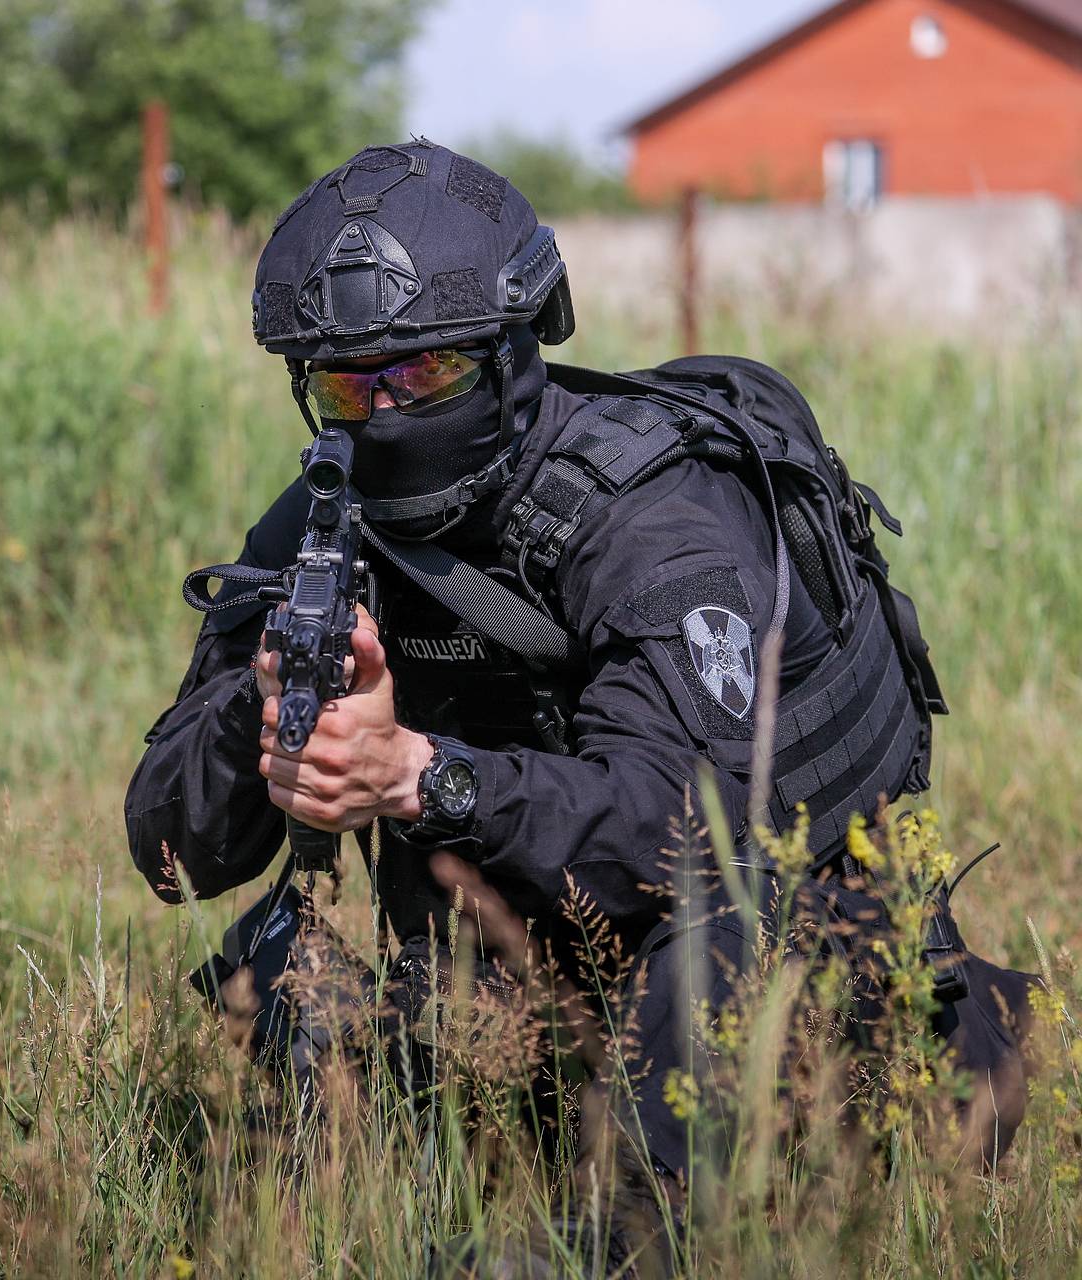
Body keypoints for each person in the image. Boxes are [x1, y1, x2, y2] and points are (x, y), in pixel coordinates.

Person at [125, 141, 1035, 1275]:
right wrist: (262, 720)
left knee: (714, 938)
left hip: (761, 953)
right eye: (349, 384)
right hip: (522, 966)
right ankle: (381, 1189)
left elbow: (683, 831)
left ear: (513, 351)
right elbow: (169, 850)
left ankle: (638, 1242)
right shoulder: (323, 523)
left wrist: (419, 774)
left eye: (427, 372)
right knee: (270, 963)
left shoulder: (650, 521)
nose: (385, 409)